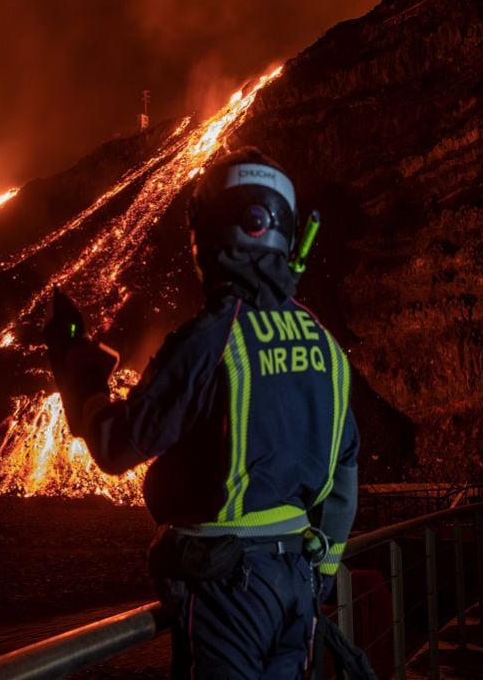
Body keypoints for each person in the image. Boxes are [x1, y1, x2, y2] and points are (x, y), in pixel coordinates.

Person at [43, 146, 359, 678]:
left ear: (208, 238)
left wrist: (82, 375)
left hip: (227, 587)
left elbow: (118, 446)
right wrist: (320, 572)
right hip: (295, 582)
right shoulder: (324, 345)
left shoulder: (210, 341)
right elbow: (345, 472)